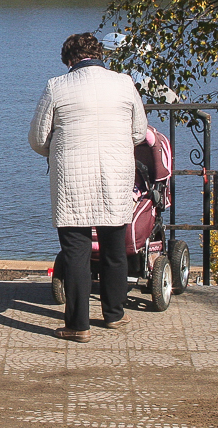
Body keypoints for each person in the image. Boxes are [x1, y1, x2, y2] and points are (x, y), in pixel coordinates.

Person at [29, 32, 148, 342]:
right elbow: (139, 132)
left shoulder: (57, 86)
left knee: (76, 251)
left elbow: (37, 138)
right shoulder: (124, 83)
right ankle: (114, 314)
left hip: (71, 177)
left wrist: (56, 149)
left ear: (69, 59)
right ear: (100, 55)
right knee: (114, 247)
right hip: (116, 172)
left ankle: (78, 325)